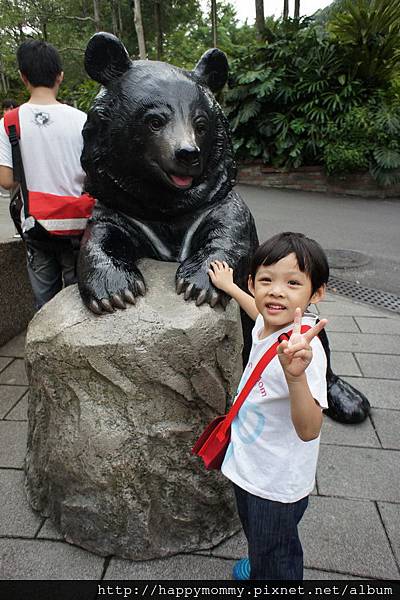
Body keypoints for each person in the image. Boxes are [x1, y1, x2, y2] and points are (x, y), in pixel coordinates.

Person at [208, 231, 329, 581]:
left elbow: (309, 430)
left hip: (275, 482)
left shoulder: (304, 352)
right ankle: (262, 562)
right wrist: (230, 287)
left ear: (316, 293)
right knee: (259, 536)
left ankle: (272, 574)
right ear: (253, 282)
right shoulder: (268, 320)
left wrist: (295, 377)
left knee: (277, 549)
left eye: (293, 282)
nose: (276, 291)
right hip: (248, 465)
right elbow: (256, 311)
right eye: (266, 280)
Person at [0, 40, 91, 310]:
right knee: (79, 301)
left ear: (23, 77)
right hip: (78, 225)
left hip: (36, 226)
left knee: (45, 304)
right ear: (60, 76)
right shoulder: (82, 120)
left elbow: (6, 181)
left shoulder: (10, 122)